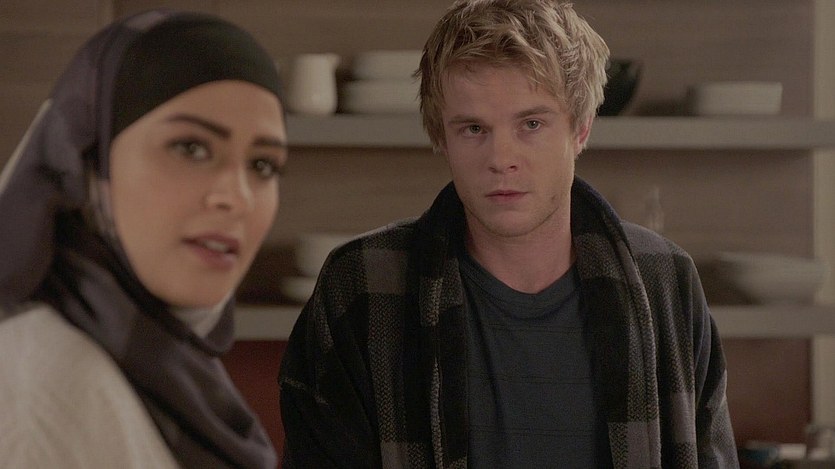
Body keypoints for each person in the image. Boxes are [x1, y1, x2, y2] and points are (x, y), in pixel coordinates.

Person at [278, 0, 738, 467]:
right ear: (440, 137)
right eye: (473, 128)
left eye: (531, 124)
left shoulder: (666, 281)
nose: (501, 159)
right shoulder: (360, 285)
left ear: (580, 130)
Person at [0, 10, 287, 468]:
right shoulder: (39, 391)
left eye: (263, 165)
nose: (237, 198)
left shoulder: (168, 366)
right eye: (191, 147)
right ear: (89, 164)